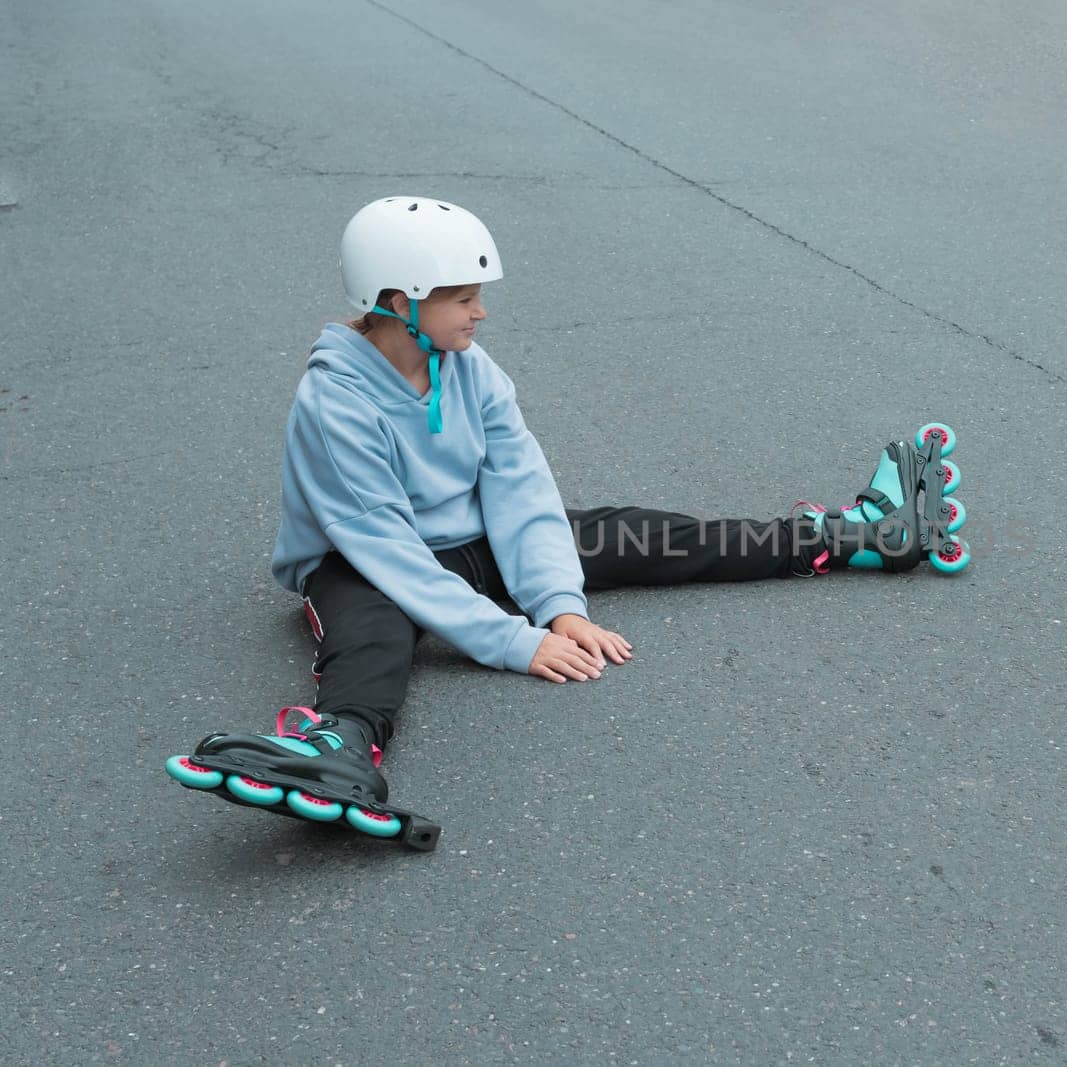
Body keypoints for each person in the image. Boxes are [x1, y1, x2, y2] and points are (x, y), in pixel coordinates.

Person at [164, 196, 968, 848]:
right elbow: (386, 547)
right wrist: (516, 641)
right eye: (465, 298)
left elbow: (521, 490)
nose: (481, 313)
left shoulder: (471, 370)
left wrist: (559, 603)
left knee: (647, 534)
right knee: (375, 627)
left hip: (477, 544)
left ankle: (857, 534)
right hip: (361, 560)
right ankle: (340, 744)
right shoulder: (335, 400)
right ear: (402, 303)